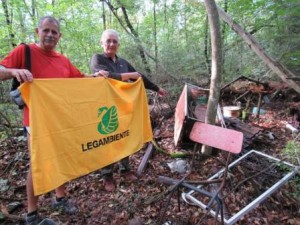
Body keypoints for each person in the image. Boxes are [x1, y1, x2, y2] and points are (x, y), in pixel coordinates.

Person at [0, 16, 86, 225]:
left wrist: (99, 76)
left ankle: (60, 198)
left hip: (61, 119)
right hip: (35, 121)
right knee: (37, 164)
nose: (49, 35)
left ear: (59, 36)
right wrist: (13, 71)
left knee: (62, 157)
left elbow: (81, 81)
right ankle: (32, 212)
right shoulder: (25, 51)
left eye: (54, 32)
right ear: (37, 31)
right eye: (46, 30)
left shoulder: (63, 60)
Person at [90, 29, 167, 192]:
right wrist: (129, 75)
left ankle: (125, 169)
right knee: (108, 140)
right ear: (102, 43)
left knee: (124, 137)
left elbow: (139, 76)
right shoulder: (97, 58)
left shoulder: (123, 62)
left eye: (114, 41)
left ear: (118, 44)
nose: (111, 44)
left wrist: (157, 88)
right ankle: (107, 176)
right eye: (108, 41)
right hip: (106, 108)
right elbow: (106, 76)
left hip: (124, 107)